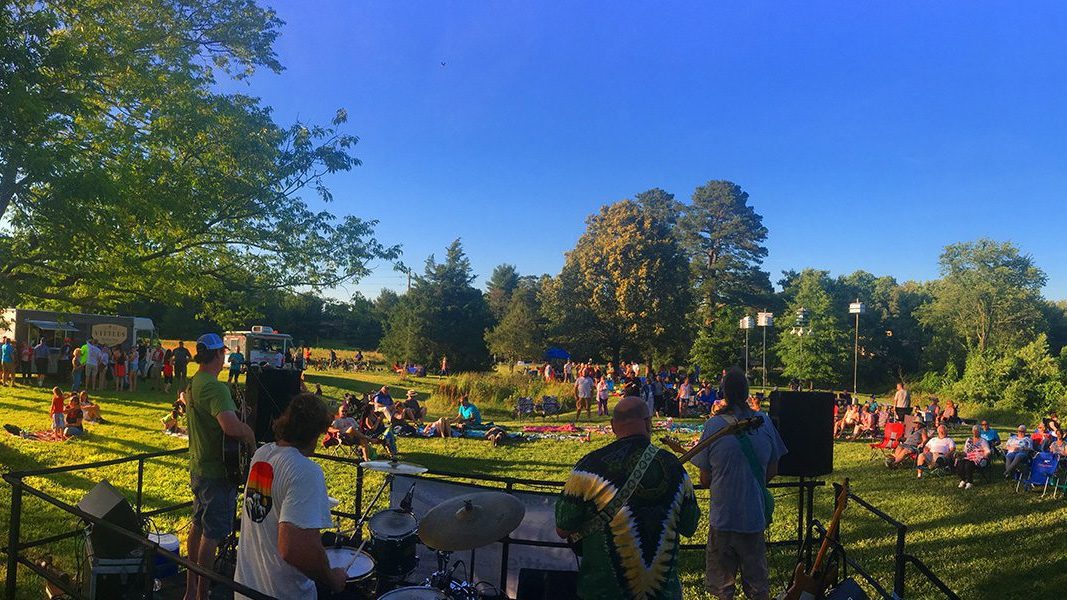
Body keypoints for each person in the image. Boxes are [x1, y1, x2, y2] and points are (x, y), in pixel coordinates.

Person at [555, 396, 699, 599]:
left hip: (601, 592)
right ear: (649, 423)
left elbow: (563, 526)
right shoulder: (675, 467)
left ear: (613, 426)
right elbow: (690, 525)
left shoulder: (589, 466)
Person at [234, 392, 346, 599]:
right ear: (315, 433)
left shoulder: (262, 454)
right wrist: (332, 578)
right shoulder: (305, 470)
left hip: (246, 588)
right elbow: (293, 548)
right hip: (282, 593)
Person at [692, 368, 787, 600]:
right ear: (747, 393)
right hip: (753, 517)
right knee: (757, 588)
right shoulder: (763, 422)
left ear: (724, 393)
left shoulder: (714, 427)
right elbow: (773, 469)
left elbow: (705, 479)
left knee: (723, 589)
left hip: (723, 519)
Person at [183, 333, 256, 600]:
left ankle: (191, 590)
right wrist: (249, 435)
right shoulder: (215, 387)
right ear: (217, 355)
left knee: (197, 526)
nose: (225, 356)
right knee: (211, 535)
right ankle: (203, 594)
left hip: (199, 465)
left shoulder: (195, 383)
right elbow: (231, 427)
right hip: (217, 471)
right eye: (223, 352)